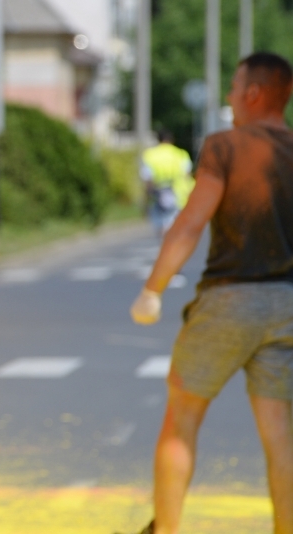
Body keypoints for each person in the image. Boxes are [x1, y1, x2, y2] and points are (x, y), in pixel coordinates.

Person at [127, 51, 293, 534]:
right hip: (287, 306)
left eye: (234, 87)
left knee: (181, 420)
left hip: (228, 301)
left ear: (253, 93)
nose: (229, 97)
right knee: (280, 435)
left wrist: (152, 289)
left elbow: (190, 222)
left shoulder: (225, 146)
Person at [139, 130, 194, 239]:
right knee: (176, 227)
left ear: (158, 140)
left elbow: (147, 179)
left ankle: (166, 246)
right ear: (171, 140)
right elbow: (187, 176)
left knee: (162, 227)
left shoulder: (149, 155)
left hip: (158, 196)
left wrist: (146, 199)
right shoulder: (180, 154)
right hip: (179, 196)